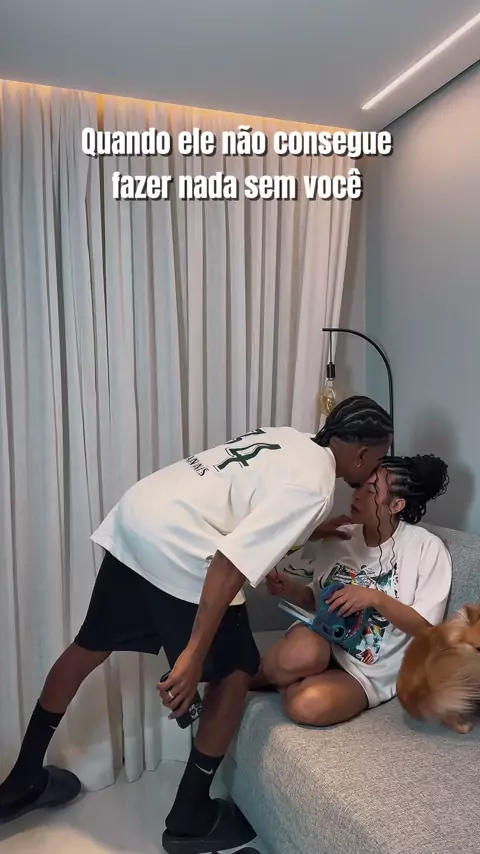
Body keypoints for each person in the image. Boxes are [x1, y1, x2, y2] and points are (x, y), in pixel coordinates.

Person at [0, 396, 392, 853]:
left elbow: (246, 501)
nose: (374, 471)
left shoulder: (290, 438)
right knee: (237, 671)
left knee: (90, 644)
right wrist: (192, 654)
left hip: (140, 515)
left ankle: (23, 780)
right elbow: (230, 562)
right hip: (182, 545)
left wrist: (312, 530)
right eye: (378, 459)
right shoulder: (317, 487)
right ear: (361, 453)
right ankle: (189, 819)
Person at [256, 454, 452, 725]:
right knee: (305, 655)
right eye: (359, 486)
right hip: (320, 637)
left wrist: (375, 598)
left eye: (371, 491)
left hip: (368, 669)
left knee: (307, 705)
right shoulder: (342, 535)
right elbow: (317, 601)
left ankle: (284, 682)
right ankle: (244, 680)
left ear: (396, 505)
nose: (357, 495)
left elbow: (427, 630)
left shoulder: (425, 548)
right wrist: (290, 589)